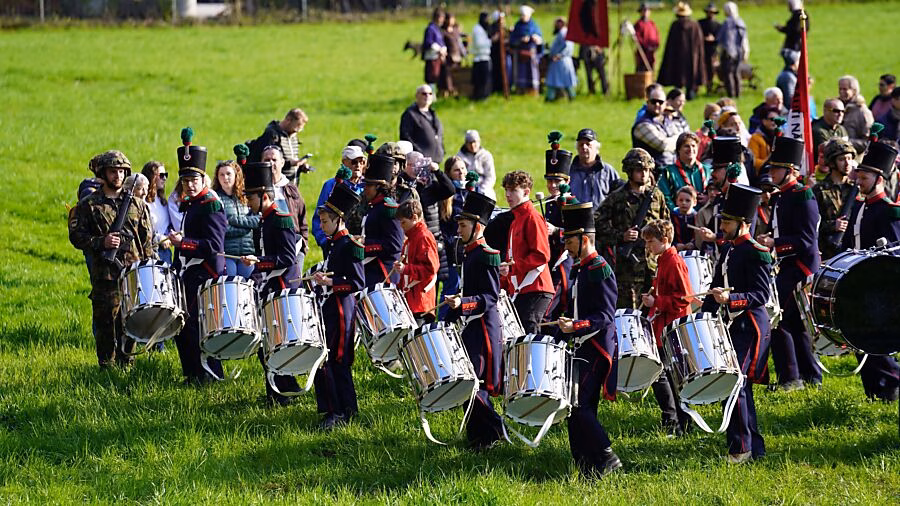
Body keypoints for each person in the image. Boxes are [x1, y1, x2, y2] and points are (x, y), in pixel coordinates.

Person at [701, 183, 773, 464]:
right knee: (737, 386)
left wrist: (730, 300)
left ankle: (741, 449)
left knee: (735, 385)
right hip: (732, 326)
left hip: (752, 327)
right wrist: (703, 315)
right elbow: (716, 285)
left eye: (727, 221)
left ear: (742, 223)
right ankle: (753, 447)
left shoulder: (757, 252)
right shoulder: (729, 248)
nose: (722, 225)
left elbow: (760, 295)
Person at [69, 150, 156, 369]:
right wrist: (101, 242)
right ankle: (106, 365)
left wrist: (148, 268)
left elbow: (146, 240)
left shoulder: (137, 204)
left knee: (131, 320)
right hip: (105, 274)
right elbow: (77, 236)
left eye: (121, 171)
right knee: (106, 321)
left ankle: (128, 363)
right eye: (112, 171)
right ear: (103, 173)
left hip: (132, 273)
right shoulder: (89, 205)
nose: (117, 176)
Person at [556, 200, 622, 477]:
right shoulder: (580, 267)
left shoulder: (600, 269)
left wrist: (577, 326)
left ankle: (607, 456)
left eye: (569, 240)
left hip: (596, 347)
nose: (566, 245)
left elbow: (605, 316)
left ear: (584, 239)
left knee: (580, 406)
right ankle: (586, 466)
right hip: (580, 345)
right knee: (575, 411)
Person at [757, 136, 822, 391]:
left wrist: (776, 243)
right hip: (787, 266)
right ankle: (809, 376)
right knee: (792, 324)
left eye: (776, 168)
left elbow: (807, 241)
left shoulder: (802, 195)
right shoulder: (781, 196)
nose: (771, 172)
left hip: (802, 268)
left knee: (776, 319)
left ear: (790, 170)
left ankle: (791, 378)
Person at [445, 191, 506, 450]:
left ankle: (496, 429)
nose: (458, 230)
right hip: (469, 327)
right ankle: (479, 438)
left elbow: (490, 297)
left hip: (483, 329)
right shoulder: (469, 252)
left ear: (477, 227)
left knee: (473, 383)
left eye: (463, 225)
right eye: (458, 225)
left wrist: (465, 303)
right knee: (467, 382)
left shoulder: (487, 254)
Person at [239, 160, 303, 405]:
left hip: (281, 287)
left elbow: (287, 257)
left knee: (274, 343)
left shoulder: (282, 219)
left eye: (251, 198)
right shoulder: (264, 219)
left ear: (264, 196)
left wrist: (260, 261)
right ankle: (280, 390)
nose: (248, 202)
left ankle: (281, 393)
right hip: (268, 286)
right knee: (266, 343)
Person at [841, 140, 900, 402]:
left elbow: (895, 253)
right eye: (859, 175)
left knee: (873, 342)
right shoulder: (858, 205)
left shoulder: (890, 212)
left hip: (877, 287)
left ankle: (893, 383)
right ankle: (874, 390)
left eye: (864, 177)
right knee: (857, 340)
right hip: (855, 282)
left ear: (879, 179)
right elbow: (847, 244)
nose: (859, 180)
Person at [166, 129, 226, 384]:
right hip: (191, 271)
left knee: (197, 326)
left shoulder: (211, 204)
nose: (190, 184)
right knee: (184, 326)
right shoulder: (192, 203)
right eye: (186, 180)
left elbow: (213, 245)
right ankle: (193, 373)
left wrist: (185, 243)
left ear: (203, 180)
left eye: (194, 179)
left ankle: (207, 374)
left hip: (205, 273)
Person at [312, 183, 366, 429]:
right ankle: (336, 408)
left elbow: (357, 282)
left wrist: (331, 282)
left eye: (324, 222)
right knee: (328, 359)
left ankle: (341, 412)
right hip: (331, 307)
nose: (321, 227)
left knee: (337, 360)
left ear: (338, 221)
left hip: (343, 310)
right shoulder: (333, 244)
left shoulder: (350, 246)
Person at [596, 148, 670, 309]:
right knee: (629, 313)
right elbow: (597, 223)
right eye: (639, 170)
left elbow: (667, 225)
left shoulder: (656, 196)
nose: (643, 174)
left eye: (646, 170)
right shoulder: (617, 198)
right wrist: (620, 236)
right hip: (627, 269)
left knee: (657, 310)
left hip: (654, 264)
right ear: (630, 171)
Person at [641, 219, 692, 436]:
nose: (648, 246)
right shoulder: (663, 260)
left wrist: (658, 303)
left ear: (665, 240)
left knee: (670, 376)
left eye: (651, 242)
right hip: (663, 327)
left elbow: (685, 298)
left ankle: (678, 422)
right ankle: (674, 421)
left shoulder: (674, 261)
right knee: (664, 375)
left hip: (673, 328)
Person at [499, 170, 554, 334]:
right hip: (524, 288)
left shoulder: (532, 217)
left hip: (537, 287)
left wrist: (512, 268)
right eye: (506, 190)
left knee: (529, 334)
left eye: (513, 190)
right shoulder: (516, 219)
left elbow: (542, 255)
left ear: (526, 192)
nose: (508, 195)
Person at [400, 151, 455, 287]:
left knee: (431, 281)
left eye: (420, 166)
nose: (417, 170)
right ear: (406, 166)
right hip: (411, 238)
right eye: (413, 165)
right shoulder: (402, 184)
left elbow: (450, 190)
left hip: (432, 238)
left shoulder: (430, 185)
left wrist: (436, 171)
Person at [542, 133, 576, 320]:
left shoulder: (573, 203)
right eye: (550, 181)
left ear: (567, 182)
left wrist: (556, 231)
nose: (553, 185)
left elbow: (581, 234)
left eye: (558, 181)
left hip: (564, 263)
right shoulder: (548, 203)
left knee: (548, 311)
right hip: (548, 261)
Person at [261, 145, 309, 270]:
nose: (271, 163)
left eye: (274, 159)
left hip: (293, 244)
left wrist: (304, 242)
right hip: (268, 245)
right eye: (267, 160)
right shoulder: (258, 191)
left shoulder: (291, 189)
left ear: (282, 163)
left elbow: (302, 217)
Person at [312, 144, 367, 248]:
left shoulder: (368, 186)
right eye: (354, 161)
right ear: (344, 163)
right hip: (336, 243)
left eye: (361, 162)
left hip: (361, 244)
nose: (358, 165)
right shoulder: (331, 185)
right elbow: (319, 216)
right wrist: (325, 242)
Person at [361, 154, 404, 289]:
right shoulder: (374, 206)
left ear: (379, 187)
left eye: (369, 185)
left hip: (383, 273)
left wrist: (364, 244)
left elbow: (395, 244)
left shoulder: (388, 208)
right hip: (371, 270)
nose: (365, 189)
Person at [438, 156, 473, 319]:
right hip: (450, 250)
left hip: (466, 248)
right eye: (456, 170)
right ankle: (443, 322)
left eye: (463, 169)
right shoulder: (447, 197)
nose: (462, 173)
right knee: (451, 288)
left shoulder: (471, 191)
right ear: (449, 174)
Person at [813, 138, 858, 261]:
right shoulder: (819, 190)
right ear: (832, 162)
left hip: (852, 252)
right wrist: (832, 226)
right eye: (842, 159)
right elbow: (811, 224)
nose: (847, 163)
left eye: (849, 158)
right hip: (827, 255)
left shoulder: (857, 189)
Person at [395, 199, 439, 322]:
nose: (401, 227)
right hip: (411, 301)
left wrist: (405, 269)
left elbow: (430, 269)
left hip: (420, 303)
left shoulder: (423, 237)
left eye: (403, 222)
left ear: (414, 217)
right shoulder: (411, 238)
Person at [212, 158, 258, 279]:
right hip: (228, 254)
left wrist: (232, 220)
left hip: (247, 253)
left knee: (247, 287)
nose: (225, 177)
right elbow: (222, 229)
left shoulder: (247, 197)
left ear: (236, 175)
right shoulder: (216, 198)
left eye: (228, 174)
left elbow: (258, 220)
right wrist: (247, 228)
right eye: (221, 174)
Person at [657, 2, 706, 100]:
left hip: (677, 58)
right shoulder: (694, 25)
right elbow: (699, 44)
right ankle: (690, 95)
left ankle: (677, 96)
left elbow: (670, 45)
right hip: (692, 57)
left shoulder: (675, 25)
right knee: (691, 76)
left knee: (677, 78)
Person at [249, 108, 309, 182]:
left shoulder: (293, 136)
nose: (298, 131)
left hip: (292, 185)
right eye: (296, 127)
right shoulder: (271, 135)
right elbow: (264, 162)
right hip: (276, 185)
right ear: (288, 120)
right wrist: (290, 163)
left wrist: (301, 166)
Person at [569, 128, 624, 209]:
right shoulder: (568, 171)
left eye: (588, 144)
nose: (584, 147)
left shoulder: (608, 171)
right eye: (581, 144)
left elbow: (619, 197)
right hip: (573, 219)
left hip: (601, 220)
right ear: (577, 148)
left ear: (596, 148)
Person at [659, 132, 711, 211]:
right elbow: (665, 198)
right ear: (678, 149)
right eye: (686, 146)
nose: (690, 149)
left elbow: (715, 192)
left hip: (704, 218)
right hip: (679, 219)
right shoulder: (668, 172)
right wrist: (678, 213)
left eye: (693, 146)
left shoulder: (707, 170)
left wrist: (709, 200)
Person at [632, 84, 680, 167]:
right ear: (647, 102)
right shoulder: (642, 124)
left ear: (665, 104)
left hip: (673, 169)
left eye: (660, 102)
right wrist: (678, 141)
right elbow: (662, 145)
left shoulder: (667, 119)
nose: (657, 104)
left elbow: (683, 137)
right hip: (651, 173)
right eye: (654, 101)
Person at [400, 84, 445, 163]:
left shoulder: (433, 113)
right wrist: (419, 154)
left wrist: (442, 150)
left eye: (430, 93)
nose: (427, 96)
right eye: (424, 93)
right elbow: (406, 137)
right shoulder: (410, 114)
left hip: (435, 162)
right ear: (417, 95)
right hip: (419, 163)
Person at [141, 161, 174, 265]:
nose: (164, 178)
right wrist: (159, 238)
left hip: (165, 251)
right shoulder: (142, 201)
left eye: (166, 175)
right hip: (149, 252)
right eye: (161, 175)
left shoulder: (162, 200)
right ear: (151, 177)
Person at [716, 2, 748, 98]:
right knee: (737, 73)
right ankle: (738, 94)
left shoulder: (726, 23)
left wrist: (718, 53)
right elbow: (744, 39)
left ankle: (731, 94)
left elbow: (721, 40)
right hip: (739, 52)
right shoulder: (740, 22)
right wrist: (745, 51)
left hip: (728, 53)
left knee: (728, 74)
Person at [510, 5, 543, 95]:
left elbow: (539, 38)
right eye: (521, 15)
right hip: (520, 53)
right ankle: (520, 90)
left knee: (532, 71)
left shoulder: (534, 26)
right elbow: (512, 39)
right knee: (520, 72)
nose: (522, 17)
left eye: (524, 15)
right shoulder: (518, 26)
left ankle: (532, 91)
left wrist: (536, 39)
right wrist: (520, 40)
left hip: (531, 53)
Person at [839, 76, 876, 154]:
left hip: (855, 158)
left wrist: (846, 142)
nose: (841, 92)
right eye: (840, 89)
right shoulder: (837, 108)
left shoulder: (863, 112)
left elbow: (869, 142)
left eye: (845, 89)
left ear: (854, 91)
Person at [456, 130, 496, 200]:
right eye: (470, 143)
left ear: (479, 142)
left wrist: (482, 189)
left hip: (483, 187)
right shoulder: (460, 157)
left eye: (474, 142)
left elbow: (490, 177)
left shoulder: (486, 156)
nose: (472, 145)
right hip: (466, 187)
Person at [545, 17, 577, 102]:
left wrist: (559, 55)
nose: (557, 24)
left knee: (565, 80)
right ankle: (550, 98)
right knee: (553, 80)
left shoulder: (564, 33)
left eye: (560, 22)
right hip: (558, 61)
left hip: (562, 61)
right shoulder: (562, 33)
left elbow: (568, 46)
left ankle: (571, 96)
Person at [699, 3, 720, 95]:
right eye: (708, 12)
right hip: (702, 50)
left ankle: (710, 88)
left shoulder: (718, 25)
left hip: (713, 51)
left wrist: (714, 39)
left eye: (712, 12)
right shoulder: (700, 23)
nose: (710, 14)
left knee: (711, 70)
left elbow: (721, 38)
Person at [422, 8, 447, 86]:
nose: (443, 20)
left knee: (436, 77)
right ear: (438, 18)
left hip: (438, 58)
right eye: (442, 18)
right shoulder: (430, 29)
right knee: (431, 78)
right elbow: (429, 42)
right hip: (431, 57)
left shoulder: (437, 29)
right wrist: (440, 50)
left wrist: (444, 50)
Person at [471, 12, 493, 100]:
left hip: (485, 57)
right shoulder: (477, 29)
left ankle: (484, 96)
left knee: (485, 80)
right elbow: (479, 44)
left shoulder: (483, 29)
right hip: (479, 57)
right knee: (480, 81)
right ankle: (479, 96)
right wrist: (490, 42)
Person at [633, 3, 660, 72]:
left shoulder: (651, 23)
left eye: (647, 10)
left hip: (651, 53)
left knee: (651, 71)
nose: (645, 12)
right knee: (642, 72)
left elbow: (657, 35)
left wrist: (655, 46)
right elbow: (637, 37)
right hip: (642, 53)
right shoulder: (638, 24)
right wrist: (646, 46)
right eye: (644, 10)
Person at [672, 186, 699, 251]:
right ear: (676, 202)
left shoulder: (698, 217)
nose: (684, 203)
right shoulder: (672, 217)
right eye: (681, 200)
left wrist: (694, 243)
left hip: (694, 252)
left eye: (688, 200)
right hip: (676, 251)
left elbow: (700, 237)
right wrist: (675, 245)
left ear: (694, 202)